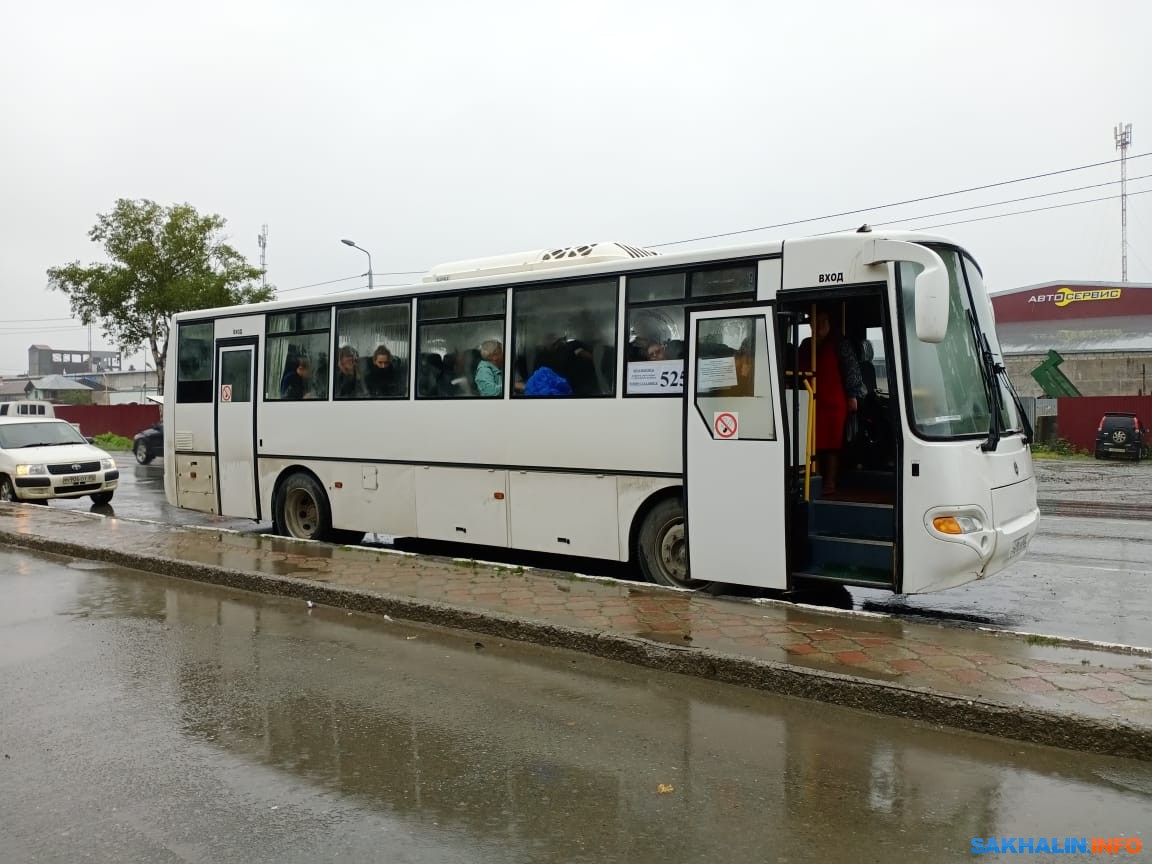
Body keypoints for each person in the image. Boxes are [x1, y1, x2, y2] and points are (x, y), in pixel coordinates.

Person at [799, 310, 864, 496]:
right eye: (815, 320)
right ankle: (814, 479)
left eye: (824, 320)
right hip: (809, 401)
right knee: (811, 443)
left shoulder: (840, 344)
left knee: (832, 445)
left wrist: (853, 396)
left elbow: (852, 371)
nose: (819, 324)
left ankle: (829, 483)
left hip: (833, 404)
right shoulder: (804, 345)